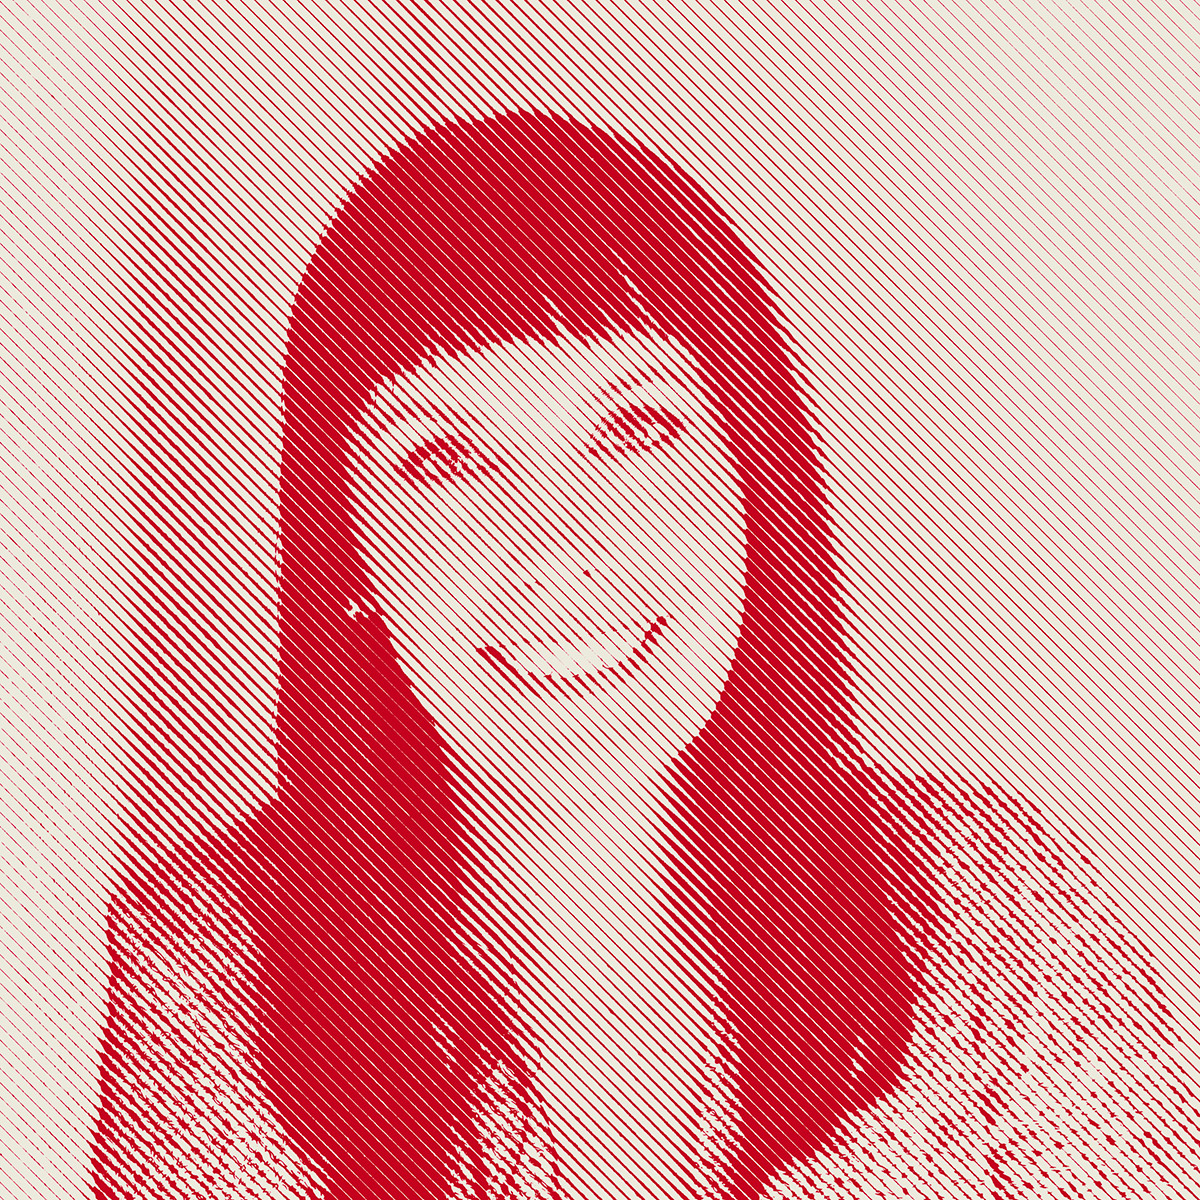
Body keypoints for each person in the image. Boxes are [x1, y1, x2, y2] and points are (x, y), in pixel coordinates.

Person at [91, 110, 1200, 1200]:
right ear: (348, 553)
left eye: (634, 429)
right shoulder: (191, 982)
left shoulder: (988, 906)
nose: (557, 546)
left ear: (755, 486)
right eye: (443, 456)